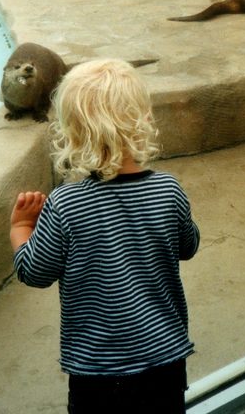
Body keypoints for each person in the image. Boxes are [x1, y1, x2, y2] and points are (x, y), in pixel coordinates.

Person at [10, 58, 200, 413]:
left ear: (73, 133)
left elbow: (34, 273)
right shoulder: (168, 190)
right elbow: (188, 246)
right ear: (143, 121)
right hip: (165, 361)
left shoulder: (65, 205)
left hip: (98, 372)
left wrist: (21, 229)